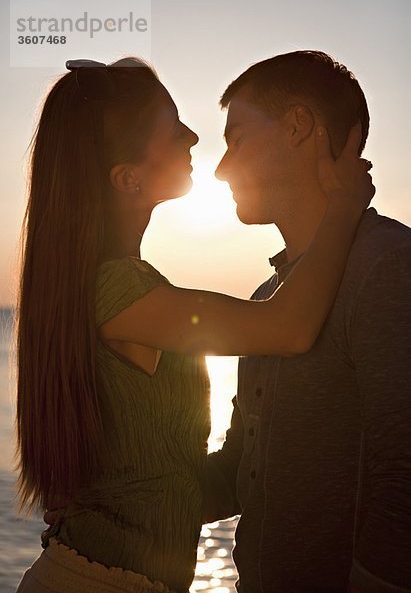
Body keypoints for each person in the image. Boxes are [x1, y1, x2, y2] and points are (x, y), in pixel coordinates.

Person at [16, 55, 373, 593]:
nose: (192, 135)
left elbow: (176, 486)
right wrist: (346, 205)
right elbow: (289, 327)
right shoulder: (118, 290)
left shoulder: (122, 286)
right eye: (171, 128)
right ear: (127, 178)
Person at [205, 50, 411, 592]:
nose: (223, 167)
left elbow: (405, 474)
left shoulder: (388, 266)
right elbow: (239, 470)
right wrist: (108, 499)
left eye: (236, 138)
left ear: (297, 126)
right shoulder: (270, 299)